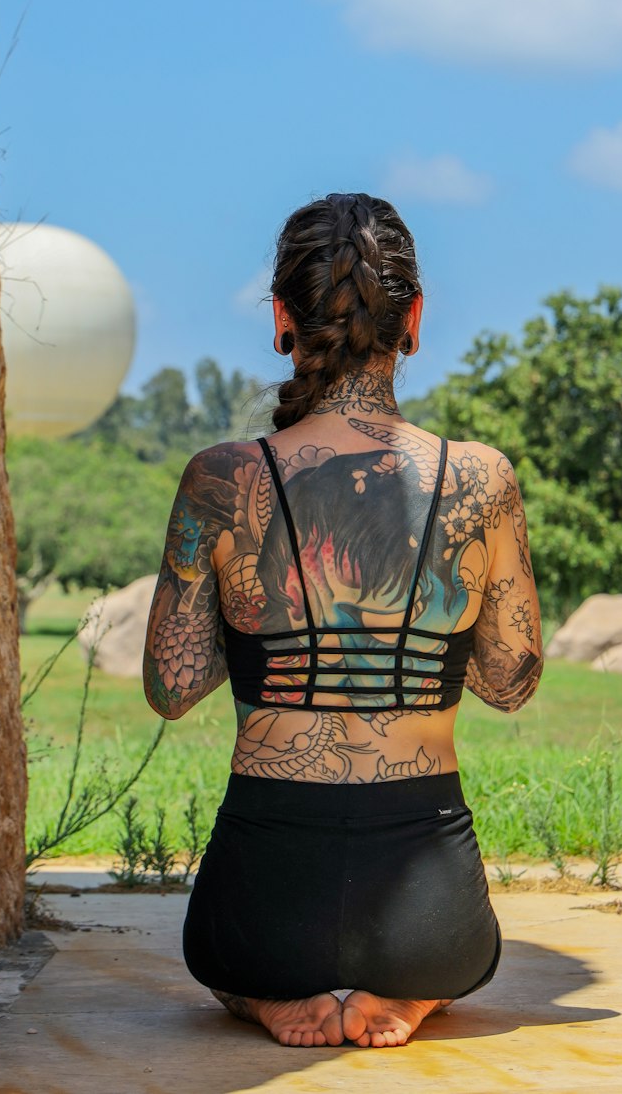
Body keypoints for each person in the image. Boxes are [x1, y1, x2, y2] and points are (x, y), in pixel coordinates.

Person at [142, 192, 543, 1049]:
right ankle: (413, 991)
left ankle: (267, 996)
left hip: (258, 913)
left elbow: (170, 688)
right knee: (455, 959)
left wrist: (263, 616)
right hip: (432, 919)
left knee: (231, 961)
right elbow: (511, 681)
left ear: (284, 318)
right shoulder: (482, 479)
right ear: (415, 319)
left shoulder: (220, 478)